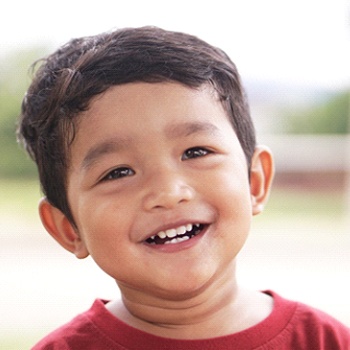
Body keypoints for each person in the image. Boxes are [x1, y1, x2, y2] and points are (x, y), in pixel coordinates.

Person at [18, 26, 350, 349]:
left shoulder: (325, 341)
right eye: (118, 172)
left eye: (195, 152)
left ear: (254, 181)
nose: (169, 192)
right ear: (68, 228)